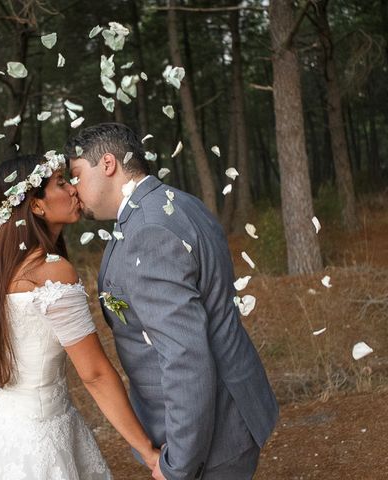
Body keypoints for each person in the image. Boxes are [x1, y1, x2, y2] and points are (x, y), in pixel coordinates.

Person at [65, 123, 279, 480]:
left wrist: (178, 464)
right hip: (231, 411)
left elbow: (185, 355)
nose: (74, 189)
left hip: (209, 438)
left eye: (76, 175)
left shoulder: (149, 230)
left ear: (107, 164)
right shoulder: (179, 202)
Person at [0, 153, 160, 479]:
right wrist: (149, 452)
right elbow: (94, 373)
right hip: (36, 439)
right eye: (62, 183)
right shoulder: (52, 272)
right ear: (36, 206)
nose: (74, 189)